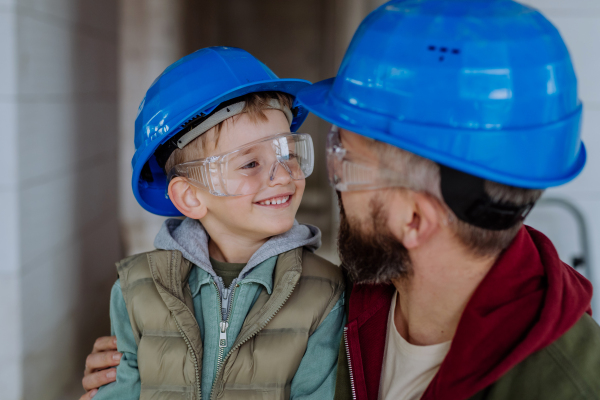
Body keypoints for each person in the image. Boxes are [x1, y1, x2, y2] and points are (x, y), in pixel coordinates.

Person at [294, 0, 600, 399]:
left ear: (415, 219)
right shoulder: (332, 312)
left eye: (346, 163)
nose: (335, 184)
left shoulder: (568, 387)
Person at [80, 46, 345, 400]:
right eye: (250, 164)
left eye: (289, 155)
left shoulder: (324, 293)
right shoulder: (134, 290)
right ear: (190, 196)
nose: (282, 176)